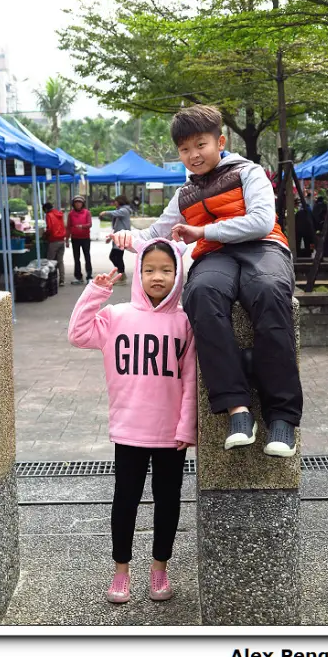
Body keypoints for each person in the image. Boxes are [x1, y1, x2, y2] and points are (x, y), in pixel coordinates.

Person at [110, 104, 302, 457]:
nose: (193, 155)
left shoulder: (248, 172)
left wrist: (202, 231)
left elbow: (261, 221)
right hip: (215, 256)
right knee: (200, 292)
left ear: (220, 142)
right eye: (184, 149)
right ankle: (237, 409)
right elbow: (156, 235)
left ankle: (282, 417)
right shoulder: (184, 193)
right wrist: (127, 239)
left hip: (264, 246)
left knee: (268, 289)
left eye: (200, 145)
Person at [68, 238, 196, 604]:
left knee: (168, 502)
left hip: (171, 434)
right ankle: (121, 571)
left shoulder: (185, 322)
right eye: (149, 269)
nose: (158, 277)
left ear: (178, 274)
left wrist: (187, 426)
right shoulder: (117, 316)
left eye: (167, 270)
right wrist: (95, 292)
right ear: (138, 273)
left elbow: (190, 378)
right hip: (129, 430)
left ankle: (160, 568)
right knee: (125, 500)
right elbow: (77, 334)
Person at [100, 195, 133, 283]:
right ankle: (121, 275)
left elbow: (114, 213)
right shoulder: (121, 210)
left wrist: (105, 212)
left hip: (122, 238)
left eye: (116, 201)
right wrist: (111, 237)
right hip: (118, 237)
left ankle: (122, 276)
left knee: (116, 257)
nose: (114, 203)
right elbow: (116, 226)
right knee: (115, 257)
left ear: (120, 201)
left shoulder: (124, 210)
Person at [66, 195, 93, 285]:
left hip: (85, 238)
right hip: (75, 238)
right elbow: (68, 227)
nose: (78, 204)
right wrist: (67, 240)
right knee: (76, 258)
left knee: (87, 257)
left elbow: (89, 224)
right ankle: (78, 277)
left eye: (80, 202)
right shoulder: (71, 214)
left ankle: (89, 276)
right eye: (76, 202)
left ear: (83, 204)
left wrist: (82, 226)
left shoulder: (87, 212)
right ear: (73, 204)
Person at [42, 202, 66, 287]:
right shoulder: (59, 214)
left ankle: (49, 280)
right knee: (60, 261)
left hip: (53, 240)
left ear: (45, 209)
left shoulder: (49, 215)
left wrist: (45, 235)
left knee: (50, 261)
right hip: (61, 240)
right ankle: (62, 280)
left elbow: (50, 228)